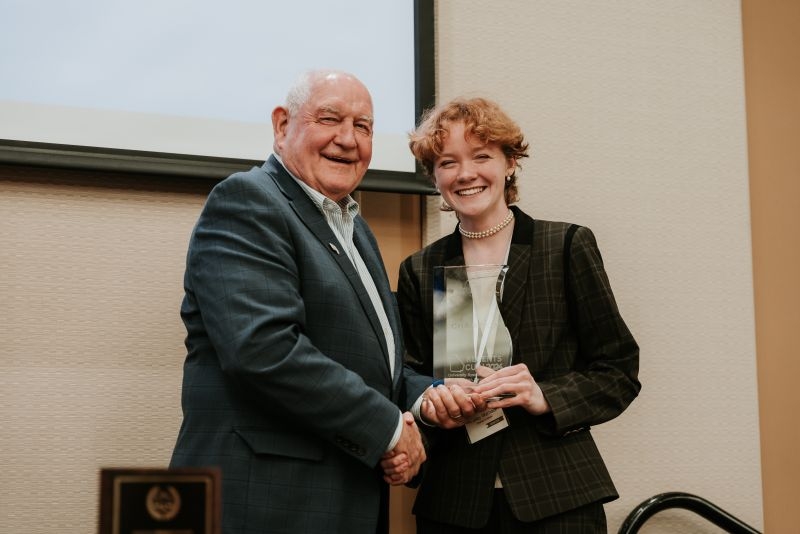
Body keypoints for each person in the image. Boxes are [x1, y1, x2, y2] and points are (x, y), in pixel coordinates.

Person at [170, 69, 430, 534]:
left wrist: (428, 399)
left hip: (340, 502)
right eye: (330, 119)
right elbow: (264, 349)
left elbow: (369, 361)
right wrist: (390, 429)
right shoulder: (248, 201)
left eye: (364, 127)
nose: (348, 140)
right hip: (265, 505)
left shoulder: (356, 229)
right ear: (281, 125)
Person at [396, 96, 641, 533]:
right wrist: (432, 401)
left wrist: (543, 395)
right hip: (454, 503)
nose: (465, 173)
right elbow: (408, 374)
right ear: (434, 177)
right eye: (447, 162)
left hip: (558, 497)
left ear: (510, 163)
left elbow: (618, 371)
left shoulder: (565, 246)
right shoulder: (420, 269)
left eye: (481, 156)